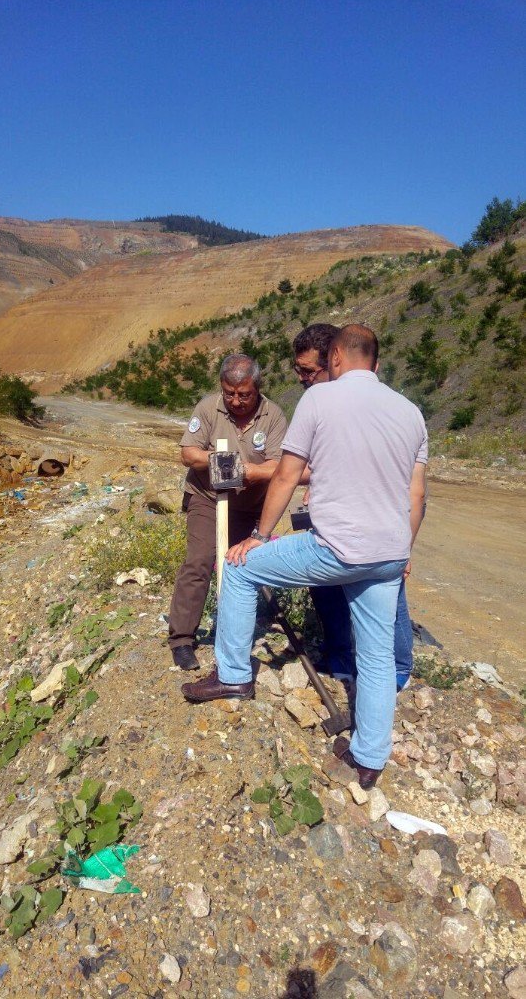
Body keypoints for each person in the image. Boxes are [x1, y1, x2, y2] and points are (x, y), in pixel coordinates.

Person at [182, 324, 428, 790]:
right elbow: (416, 495)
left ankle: (233, 674)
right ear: (375, 361)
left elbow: (287, 475)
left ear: (335, 358)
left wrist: (258, 535)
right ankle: (368, 758)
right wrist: (404, 550)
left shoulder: (319, 400)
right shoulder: (410, 412)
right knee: (373, 658)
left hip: (334, 547)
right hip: (389, 551)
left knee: (239, 567)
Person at [292, 324, 420, 690]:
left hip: (378, 524)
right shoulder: (326, 403)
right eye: (298, 371)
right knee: (327, 583)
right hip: (338, 521)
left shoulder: (367, 405)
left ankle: (393, 668)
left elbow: (411, 487)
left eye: (308, 371)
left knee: (385, 586)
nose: (302, 379)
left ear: (333, 362)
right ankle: (342, 657)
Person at [168, 354, 287, 670]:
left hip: (251, 506)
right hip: (207, 498)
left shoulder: (273, 416)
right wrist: (219, 461)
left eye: (244, 394)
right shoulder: (208, 408)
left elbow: (280, 467)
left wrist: (247, 470)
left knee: (240, 566)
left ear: (257, 388)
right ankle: (181, 639)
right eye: (229, 393)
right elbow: (187, 452)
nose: (235, 400)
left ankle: (235, 635)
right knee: (200, 561)